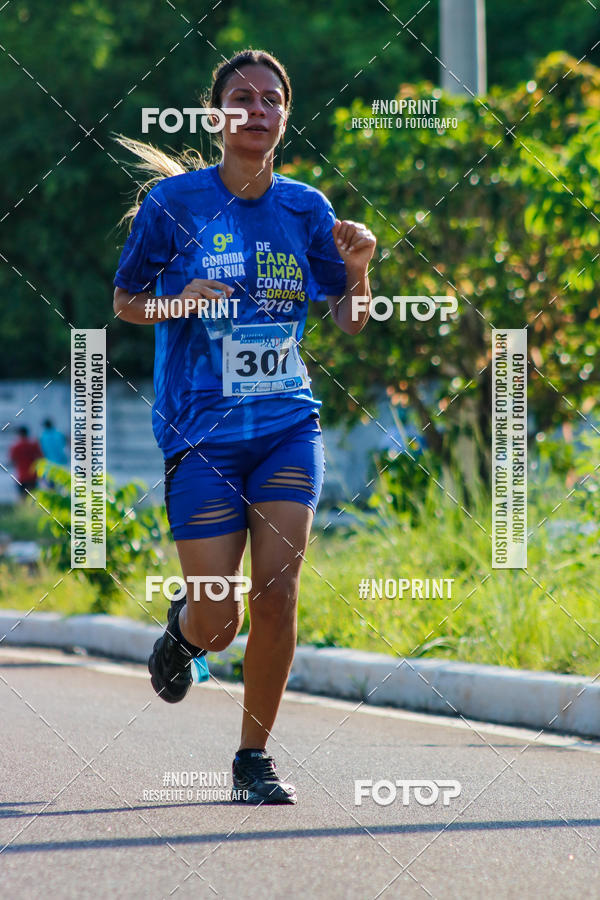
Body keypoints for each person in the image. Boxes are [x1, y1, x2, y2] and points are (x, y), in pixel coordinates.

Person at [113, 49, 375, 805]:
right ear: (217, 115)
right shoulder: (174, 204)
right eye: (242, 98)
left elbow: (350, 320)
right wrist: (179, 300)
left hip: (287, 424)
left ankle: (252, 758)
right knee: (220, 619)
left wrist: (361, 269)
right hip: (201, 433)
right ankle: (186, 633)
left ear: (285, 116)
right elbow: (127, 301)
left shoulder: (307, 209)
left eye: (270, 99)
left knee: (278, 592)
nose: (256, 110)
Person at [9, 426, 43, 499]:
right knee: (33, 498)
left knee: (23, 498)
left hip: (21, 476)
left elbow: (12, 460)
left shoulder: (15, 446)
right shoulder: (33, 444)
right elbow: (41, 458)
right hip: (33, 475)